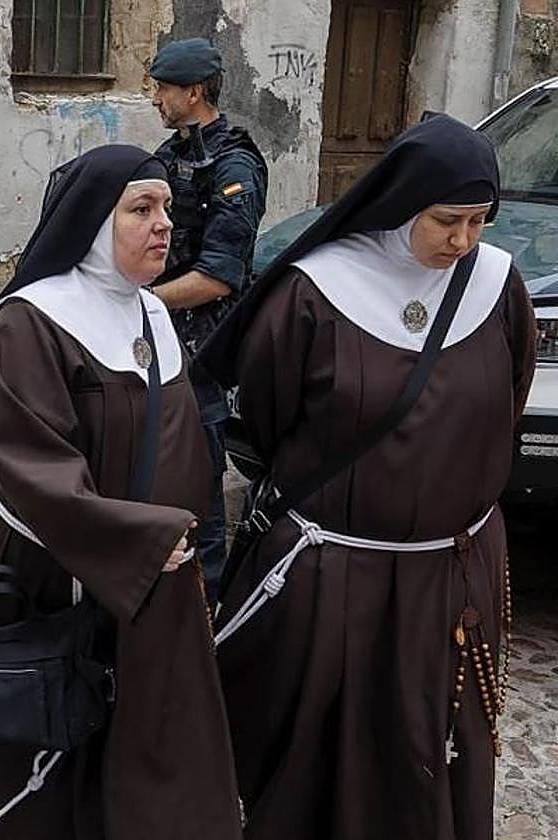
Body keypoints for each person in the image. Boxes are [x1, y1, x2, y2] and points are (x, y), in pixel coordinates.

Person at [0, 145, 243, 840]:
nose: (163, 223)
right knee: (21, 768)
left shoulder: (151, 315)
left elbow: (184, 450)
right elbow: (30, 466)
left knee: (131, 767)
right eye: (142, 208)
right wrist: (139, 541)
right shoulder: (31, 320)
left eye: (167, 207)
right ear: (91, 223)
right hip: (47, 575)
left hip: (149, 581)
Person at [199, 115, 537, 840]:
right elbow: (266, 413)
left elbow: (506, 397)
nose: (464, 241)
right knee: (326, 749)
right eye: (448, 221)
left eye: (481, 221)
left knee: (437, 744)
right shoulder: (317, 290)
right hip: (338, 573)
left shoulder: (497, 284)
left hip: (453, 576)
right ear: (404, 203)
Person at [148, 37, 267, 601]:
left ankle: (208, 614)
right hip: (156, 344)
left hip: (202, 354)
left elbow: (219, 276)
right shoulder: (168, 156)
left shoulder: (235, 163)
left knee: (199, 494)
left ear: (193, 92)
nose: (154, 99)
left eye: (162, 89)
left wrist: (144, 302)